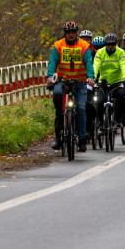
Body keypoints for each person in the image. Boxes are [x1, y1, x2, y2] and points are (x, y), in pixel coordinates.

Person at [47, 21, 95, 152]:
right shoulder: (58, 45)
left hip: (80, 82)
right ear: (65, 34)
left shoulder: (84, 46)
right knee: (58, 101)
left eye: (73, 32)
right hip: (62, 81)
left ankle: (82, 139)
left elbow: (88, 62)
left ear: (76, 33)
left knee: (80, 108)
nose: (71, 35)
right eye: (68, 33)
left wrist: (90, 77)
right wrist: (50, 77)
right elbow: (53, 62)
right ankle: (58, 138)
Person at [94, 33, 125, 127]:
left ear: (116, 44)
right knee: (99, 101)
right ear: (105, 44)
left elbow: (124, 66)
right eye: (108, 44)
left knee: (121, 96)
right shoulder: (100, 52)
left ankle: (119, 119)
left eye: (113, 44)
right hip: (103, 82)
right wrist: (92, 77)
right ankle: (100, 122)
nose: (110, 46)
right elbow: (95, 66)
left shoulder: (121, 52)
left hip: (117, 82)